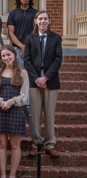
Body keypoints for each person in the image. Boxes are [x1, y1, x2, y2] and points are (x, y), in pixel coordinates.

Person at [24, 11, 62, 158]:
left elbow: (58, 59)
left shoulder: (56, 38)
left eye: (46, 19)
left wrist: (45, 78)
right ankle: (36, 144)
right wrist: (36, 79)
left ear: (49, 21)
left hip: (50, 80)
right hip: (34, 81)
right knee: (35, 115)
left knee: (50, 114)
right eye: (40, 19)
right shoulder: (30, 38)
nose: (43, 21)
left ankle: (50, 144)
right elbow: (27, 60)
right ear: (35, 21)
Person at [0, 44, 29, 178]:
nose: (7, 58)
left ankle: (12, 175)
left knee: (14, 144)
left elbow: (24, 96)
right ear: (1, 58)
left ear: (14, 54)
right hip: (1, 110)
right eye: (4, 56)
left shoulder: (23, 73)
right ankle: (3, 174)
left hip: (16, 110)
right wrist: (1, 103)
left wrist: (11, 102)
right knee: (1, 144)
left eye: (9, 55)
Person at [7, 0, 38, 68]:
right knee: (18, 74)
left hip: (32, 48)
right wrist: (22, 46)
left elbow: (37, 31)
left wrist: (27, 47)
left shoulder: (36, 13)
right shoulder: (13, 13)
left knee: (32, 74)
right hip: (17, 48)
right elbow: (10, 33)